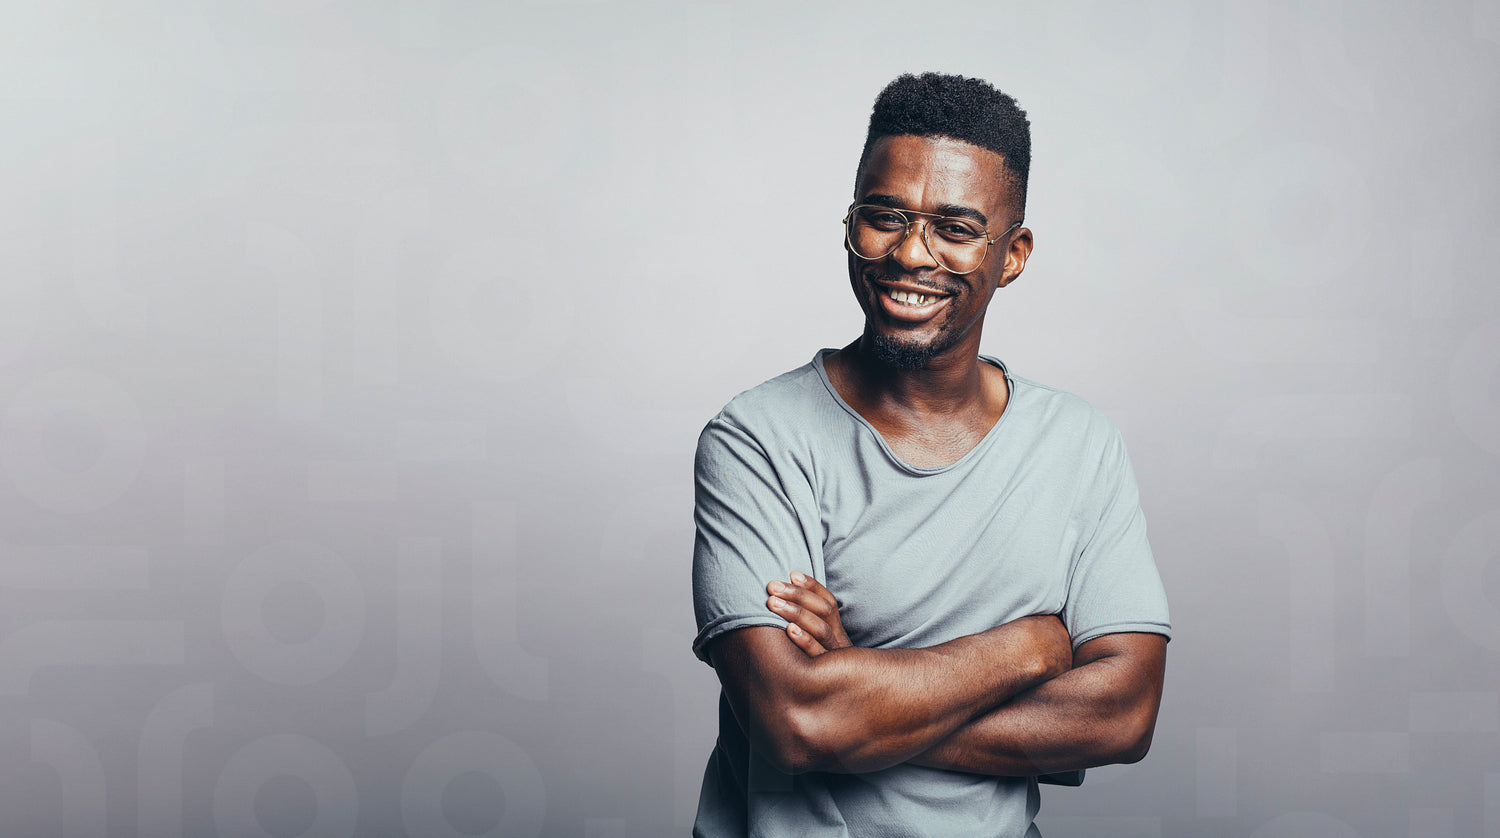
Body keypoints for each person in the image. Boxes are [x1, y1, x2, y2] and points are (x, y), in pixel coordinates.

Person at [690, 72, 1171, 837]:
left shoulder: (1079, 445)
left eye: (955, 229)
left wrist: (864, 696)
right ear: (850, 223)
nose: (911, 253)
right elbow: (798, 723)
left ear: (1012, 255)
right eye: (884, 217)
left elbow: (1123, 715)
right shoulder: (758, 439)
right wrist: (1027, 649)